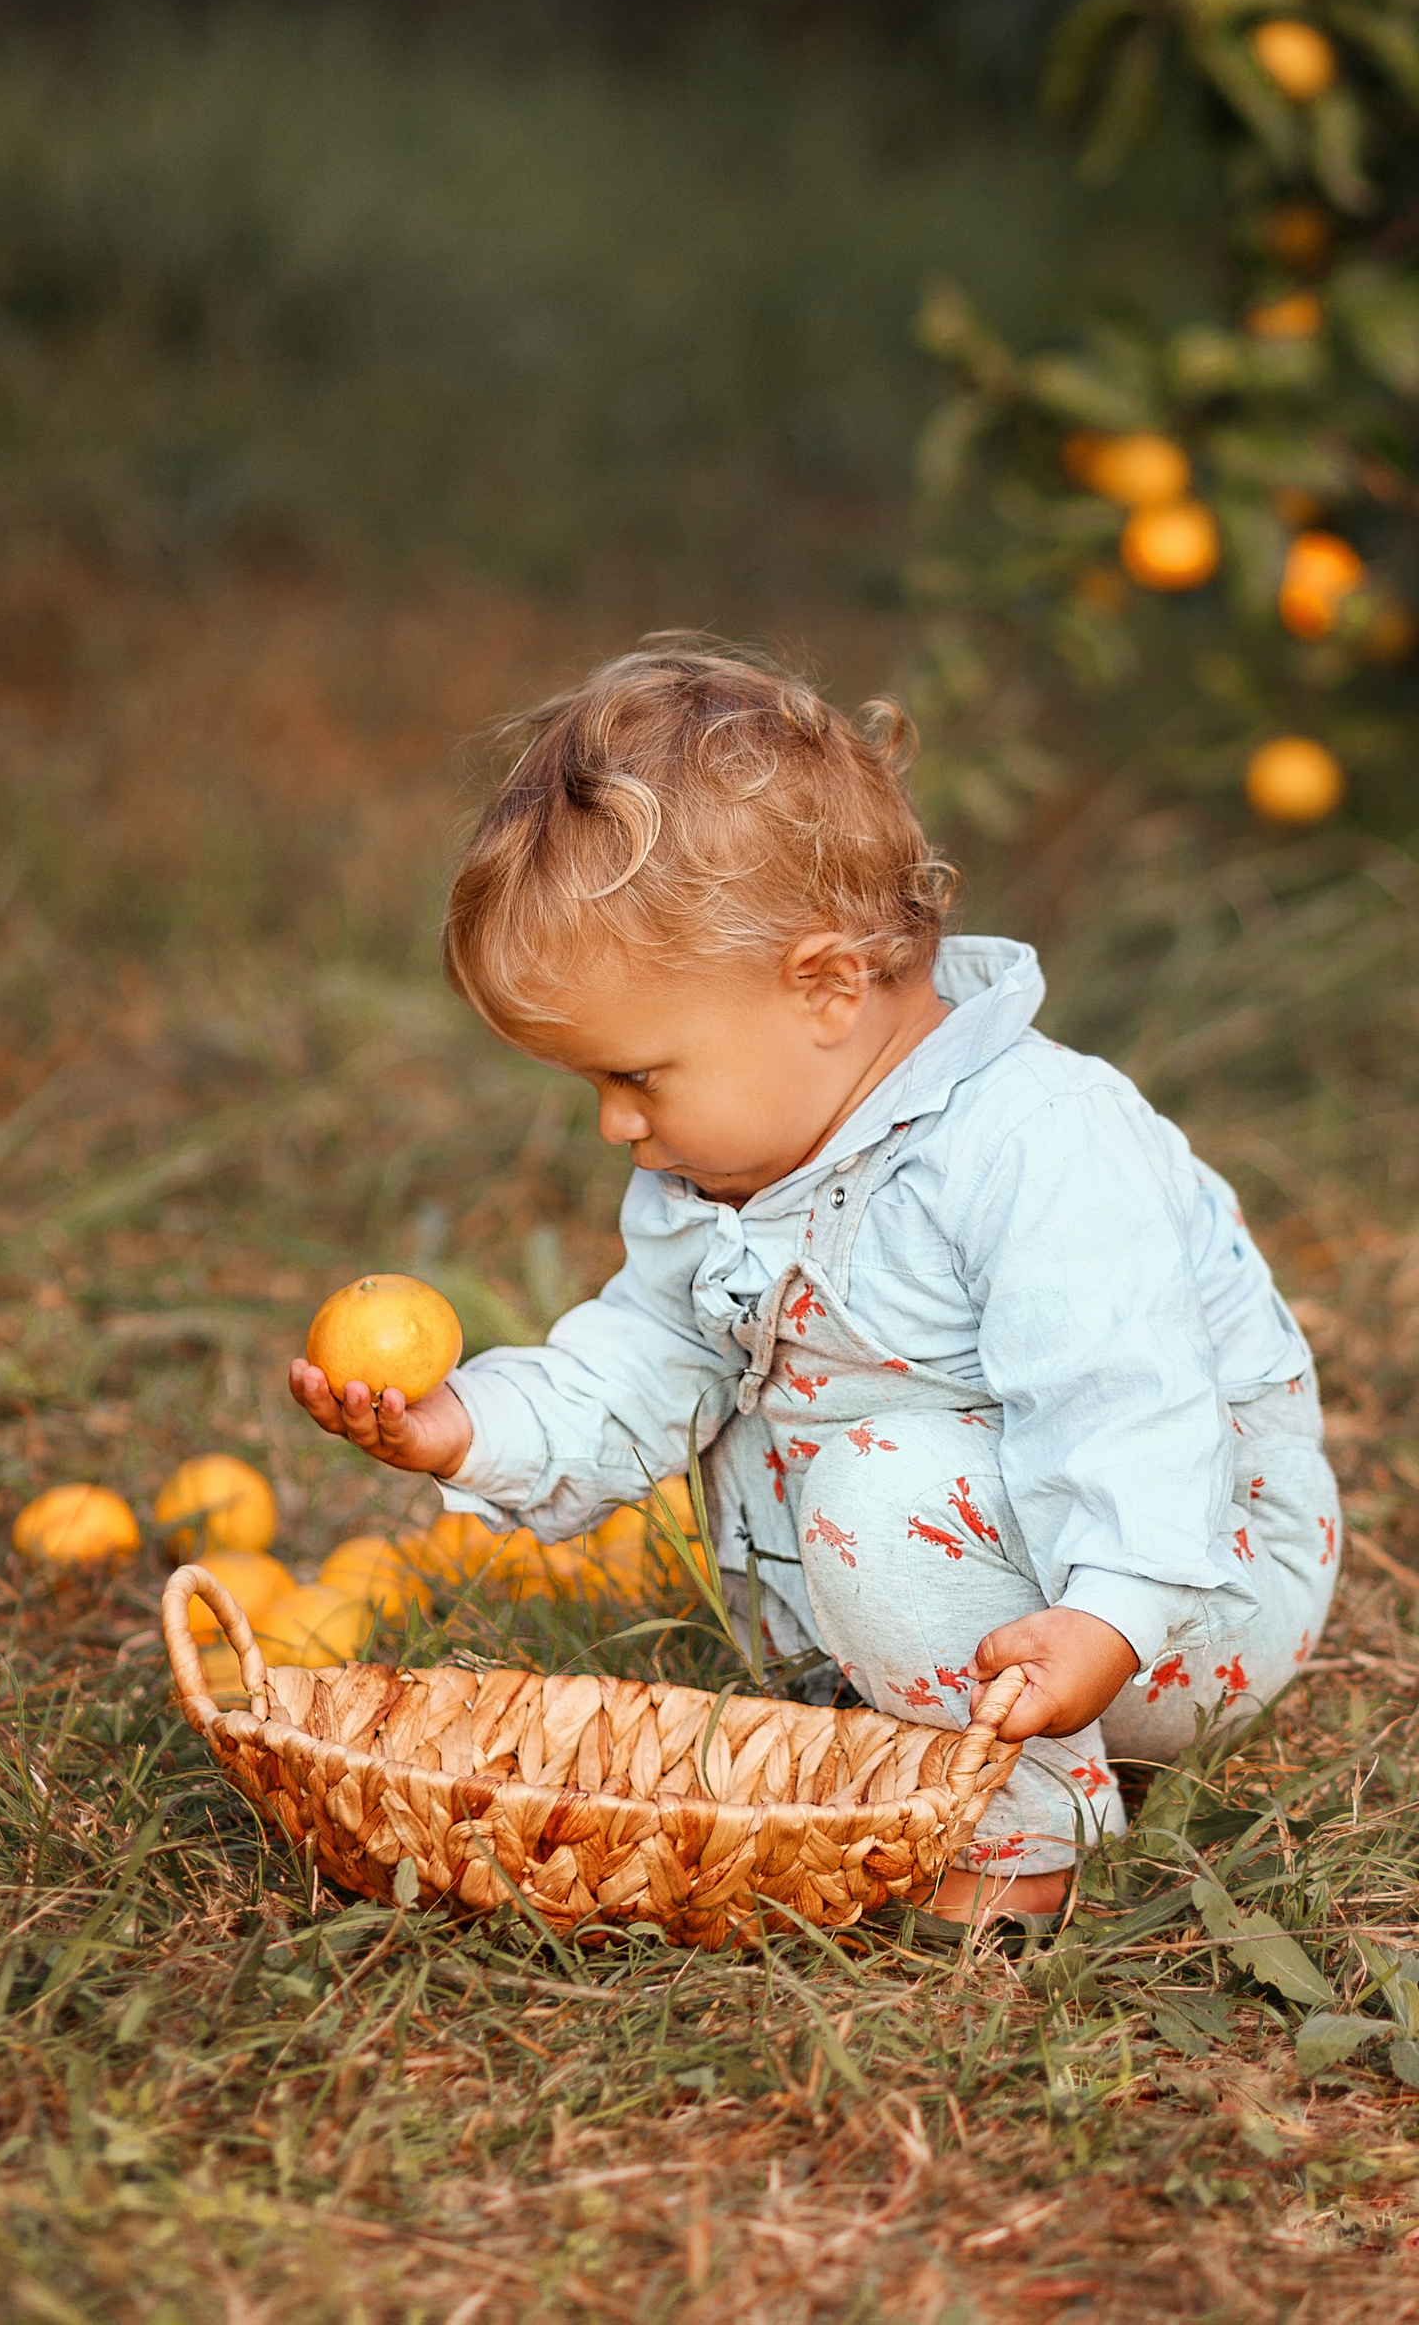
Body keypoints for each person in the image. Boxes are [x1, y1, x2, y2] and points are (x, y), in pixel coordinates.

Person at [290, 640, 1340, 1936]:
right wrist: (476, 1425)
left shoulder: (1035, 1143)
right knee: (838, 1465)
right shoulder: (723, 1170)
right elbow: (653, 1353)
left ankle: (1021, 1837)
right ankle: (905, 1716)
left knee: (880, 1491)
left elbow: (1129, 1401)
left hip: (1178, 1586)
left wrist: (1107, 1619)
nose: (617, 1126)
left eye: (639, 1076)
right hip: (967, 1584)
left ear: (830, 988)